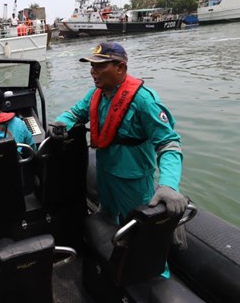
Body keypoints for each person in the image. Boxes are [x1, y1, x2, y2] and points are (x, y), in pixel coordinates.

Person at [50, 42, 187, 221]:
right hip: (105, 173)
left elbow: (168, 144)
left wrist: (168, 184)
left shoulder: (144, 100)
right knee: (107, 215)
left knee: (136, 225)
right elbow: (75, 113)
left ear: (120, 68)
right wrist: (61, 122)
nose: (93, 71)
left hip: (132, 179)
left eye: (100, 66)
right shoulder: (95, 95)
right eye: (92, 66)